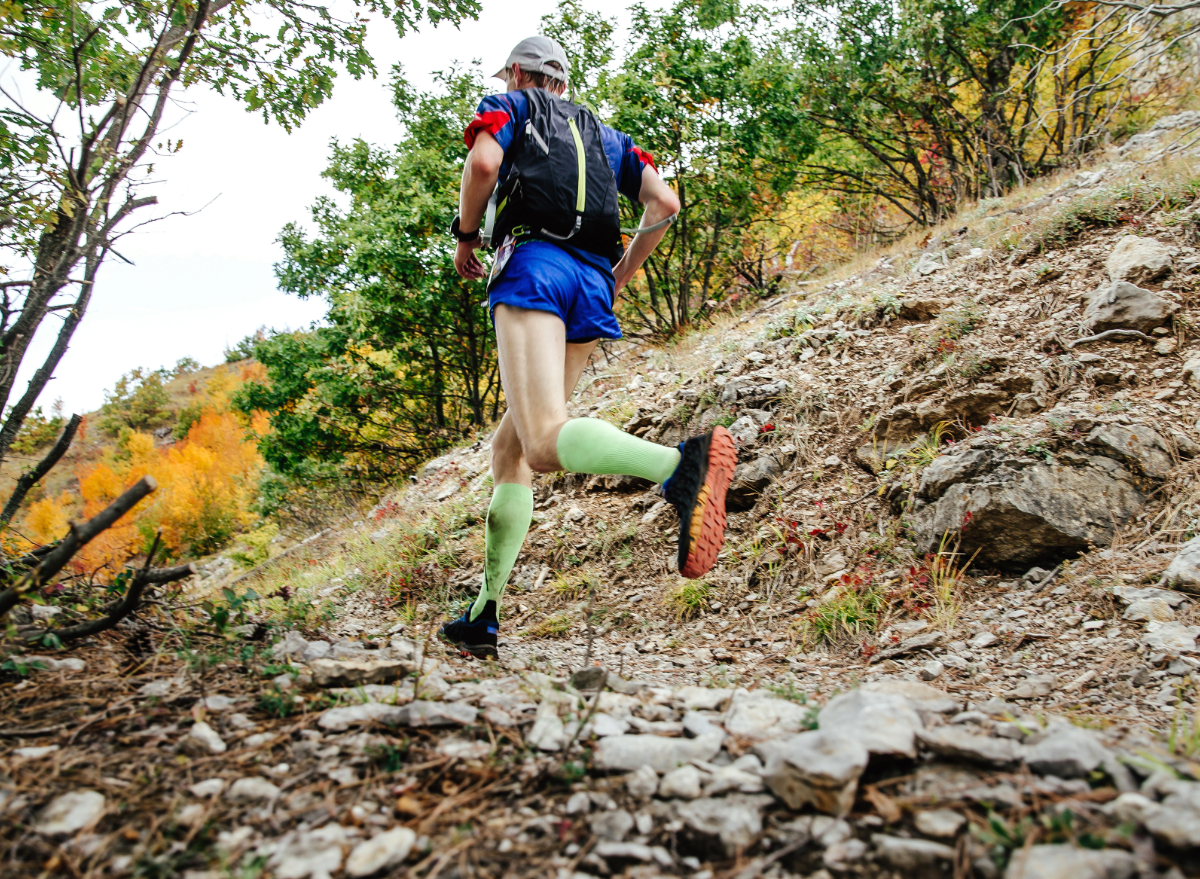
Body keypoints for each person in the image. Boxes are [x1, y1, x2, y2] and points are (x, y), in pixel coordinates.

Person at [438, 36, 735, 659]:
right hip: (590, 285)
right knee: (511, 446)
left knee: (544, 442)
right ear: (563, 84)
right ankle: (483, 615)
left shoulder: (509, 107)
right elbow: (665, 203)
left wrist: (467, 236)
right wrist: (620, 274)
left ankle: (680, 467)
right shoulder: (609, 138)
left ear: (518, 74)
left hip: (535, 268)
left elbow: (484, 166)